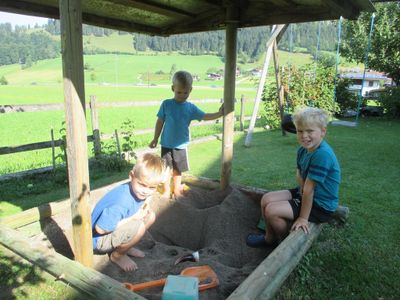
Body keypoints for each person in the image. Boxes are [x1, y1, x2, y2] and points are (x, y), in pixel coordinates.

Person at [246, 107, 341, 247]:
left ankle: (286, 243)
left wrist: (303, 218)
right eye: (300, 131)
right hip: (304, 192)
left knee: (272, 211)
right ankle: (269, 238)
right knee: (266, 199)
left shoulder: (322, 155)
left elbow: (309, 190)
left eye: (310, 131)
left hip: (320, 204)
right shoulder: (303, 150)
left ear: (323, 132)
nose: (304, 136)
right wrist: (301, 190)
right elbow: (299, 173)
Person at [149, 70, 223, 198]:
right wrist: (155, 138)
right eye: (179, 92)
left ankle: (177, 190)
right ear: (173, 88)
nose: (182, 95)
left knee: (178, 170)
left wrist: (219, 113)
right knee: (166, 169)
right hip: (166, 144)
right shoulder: (166, 104)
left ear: (191, 90)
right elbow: (160, 121)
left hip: (181, 146)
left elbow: (205, 116)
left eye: (186, 92)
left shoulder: (190, 108)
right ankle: (167, 190)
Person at [91, 153, 170, 271]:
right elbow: (100, 229)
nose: (145, 191)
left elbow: (147, 197)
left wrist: (161, 181)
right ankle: (117, 255)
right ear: (131, 176)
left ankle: (125, 246)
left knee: (150, 216)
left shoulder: (137, 190)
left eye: (152, 187)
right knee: (139, 227)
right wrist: (133, 218)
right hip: (98, 240)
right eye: (142, 185)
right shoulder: (122, 202)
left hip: (109, 232)